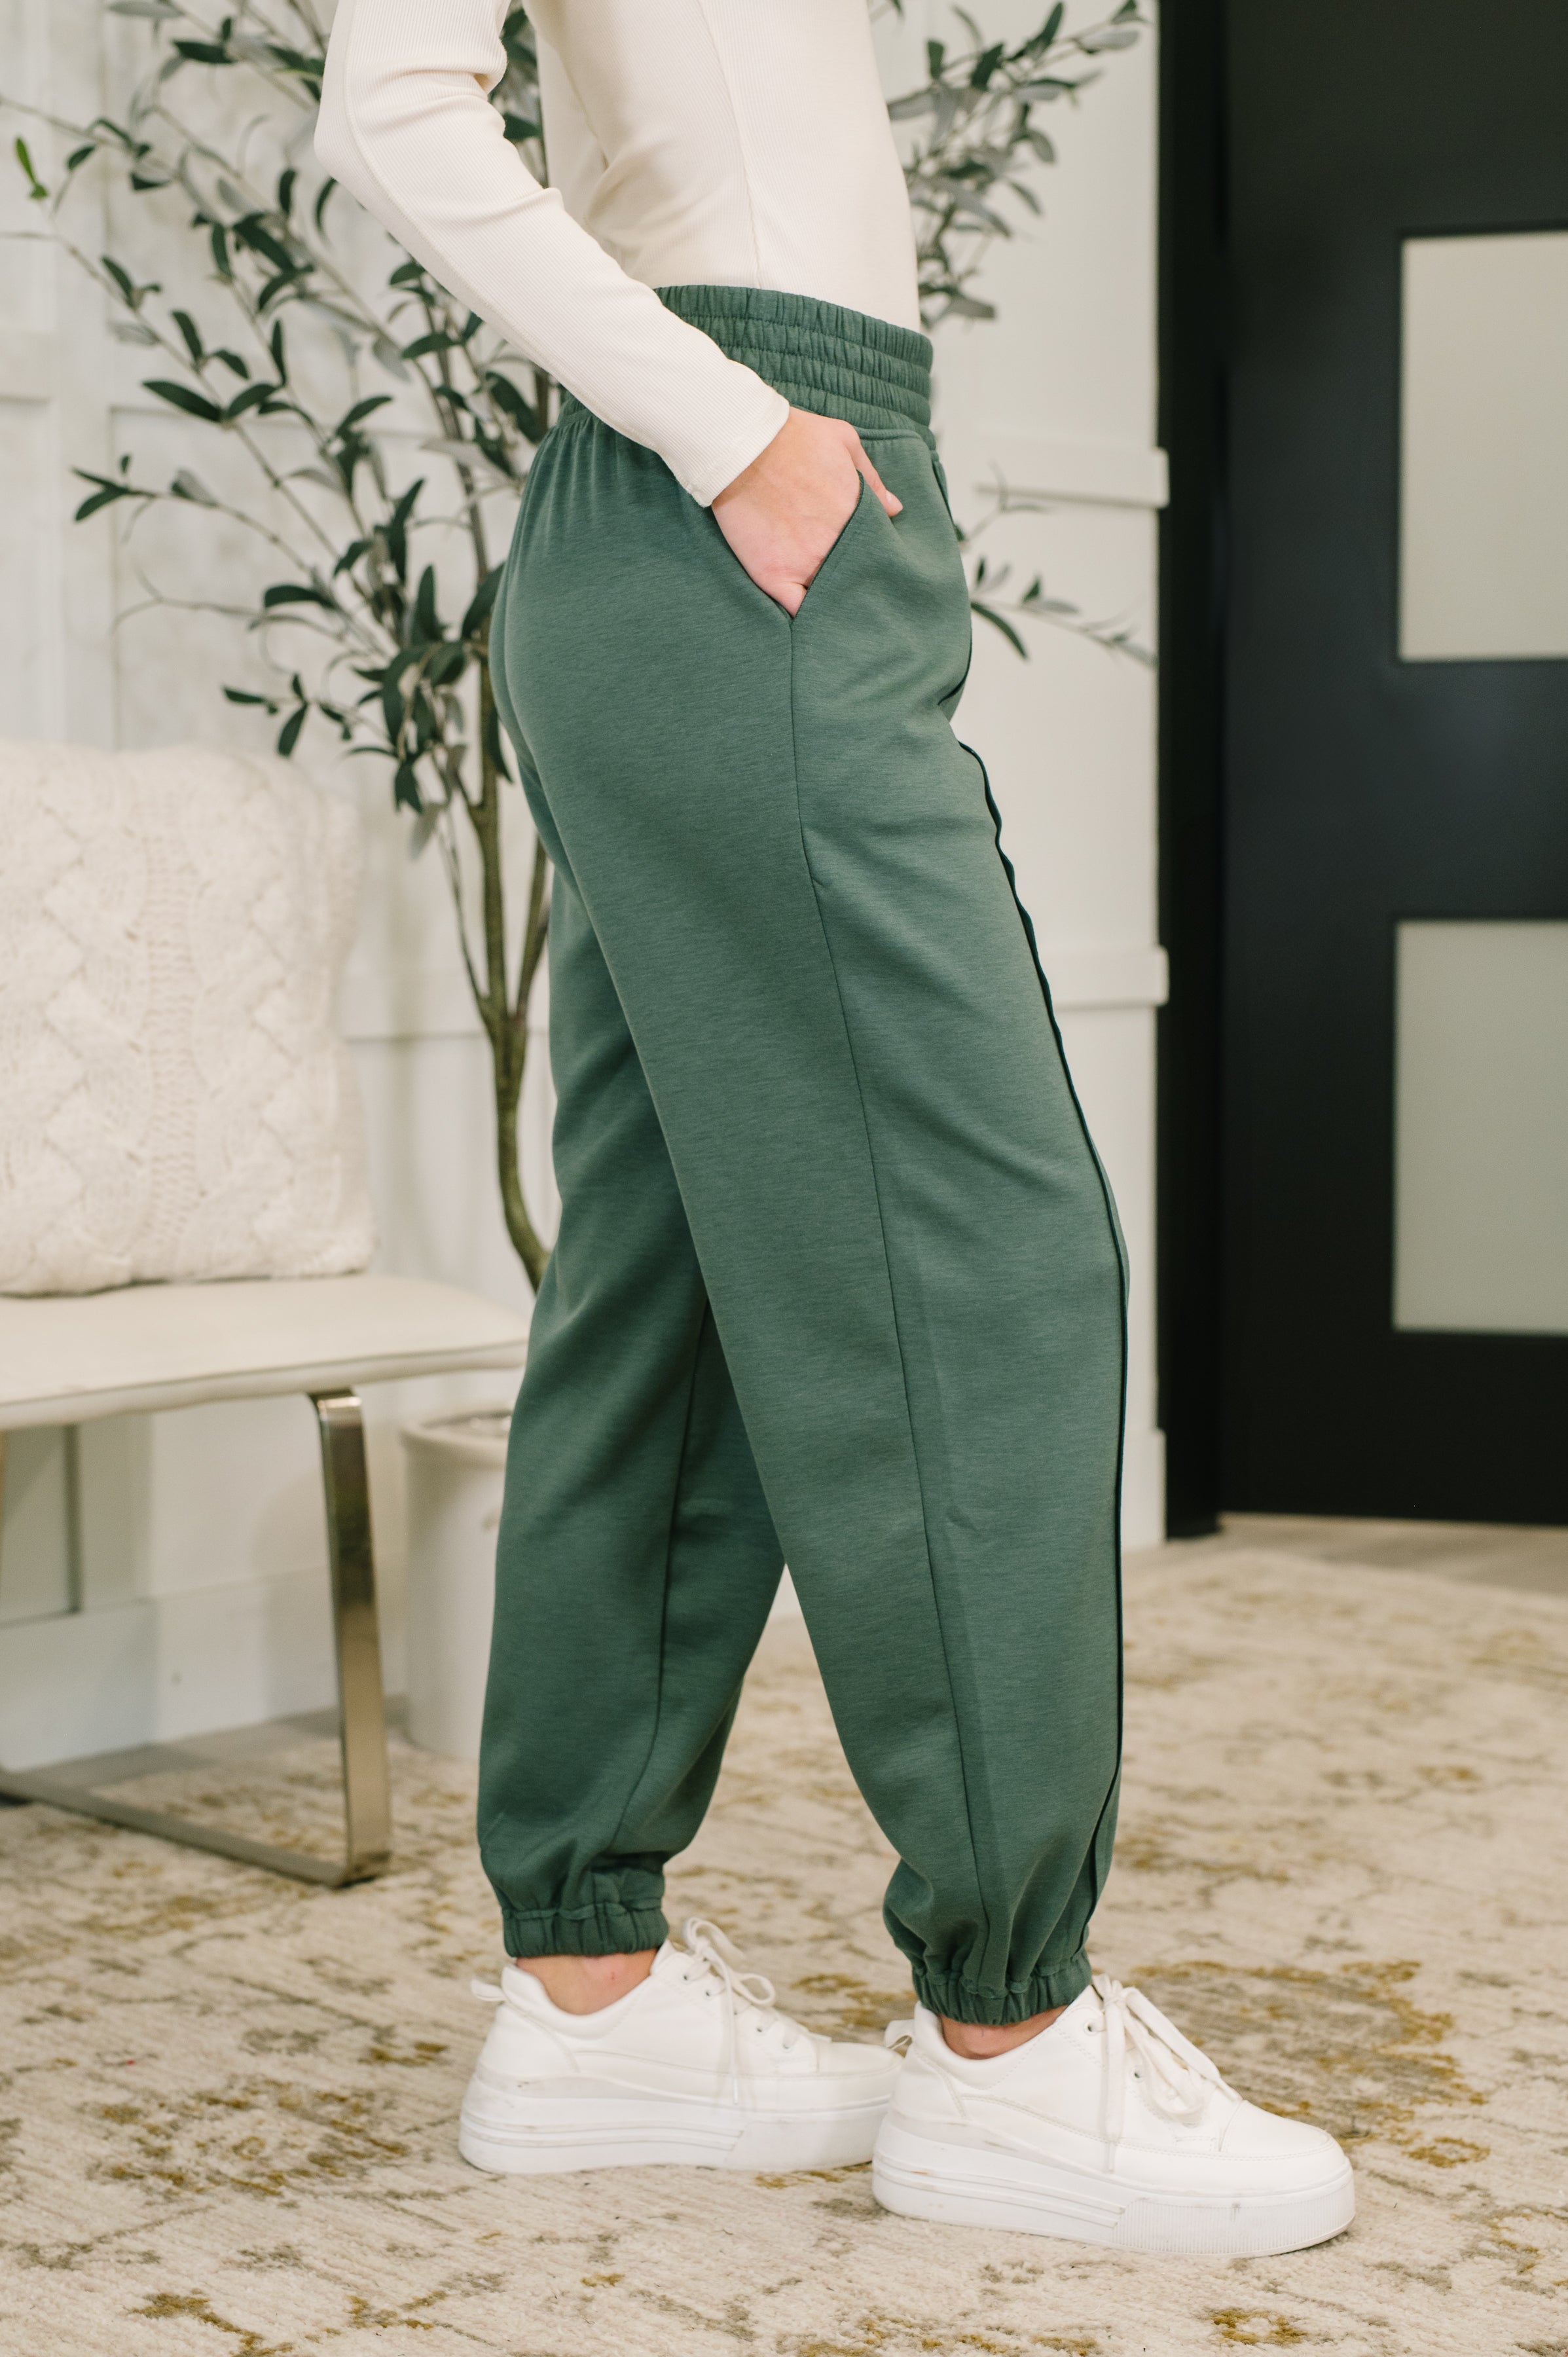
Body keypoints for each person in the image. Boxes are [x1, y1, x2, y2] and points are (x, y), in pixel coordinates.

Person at [316, 0, 1353, 2254]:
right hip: (728, 495)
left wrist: (766, 445)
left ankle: (590, 1998)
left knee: (680, 1278)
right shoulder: (730, 440)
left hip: (751, 503)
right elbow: (389, 103)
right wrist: (735, 431)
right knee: (986, 1256)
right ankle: (1010, 2045)